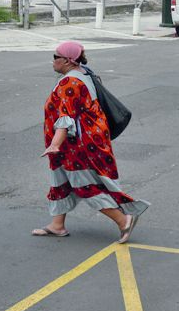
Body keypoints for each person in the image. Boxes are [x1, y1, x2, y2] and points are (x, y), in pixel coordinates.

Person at [34, 41, 148, 241]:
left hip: (77, 144)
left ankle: (123, 220)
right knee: (61, 181)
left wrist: (55, 144)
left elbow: (66, 118)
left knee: (84, 184)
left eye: (55, 57)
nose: (52, 61)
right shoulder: (83, 72)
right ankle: (57, 225)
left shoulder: (69, 83)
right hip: (83, 140)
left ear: (67, 61)